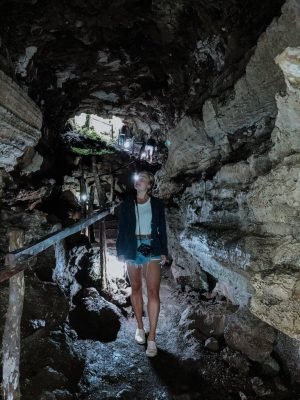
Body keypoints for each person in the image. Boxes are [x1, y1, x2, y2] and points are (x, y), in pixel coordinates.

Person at [116, 171, 168, 357]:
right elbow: (122, 228)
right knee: (136, 287)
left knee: (153, 291)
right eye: (138, 178)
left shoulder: (157, 204)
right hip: (132, 247)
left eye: (143, 179)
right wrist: (120, 251)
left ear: (149, 184)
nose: (139, 181)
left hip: (151, 246)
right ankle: (139, 327)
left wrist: (164, 251)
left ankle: (152, 337)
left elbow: (162, 228)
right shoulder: (128, 204)